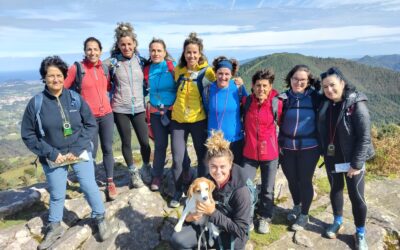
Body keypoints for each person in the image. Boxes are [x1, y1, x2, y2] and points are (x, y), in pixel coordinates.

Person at [21, 56, 110, 249]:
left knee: (88, 185)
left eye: (59, 75)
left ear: (64, 76)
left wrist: (77, 149)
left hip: (79, 150)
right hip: (53, 155)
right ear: (44, 78)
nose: (55, 79)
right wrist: (51, 153)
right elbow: (28, 134)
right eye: (50, 76)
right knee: (57, 193)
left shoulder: (75, 98)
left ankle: (100, 217)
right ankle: (54, 226)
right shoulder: (36, 103)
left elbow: (90, 124)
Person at [318, 67, 374, 250]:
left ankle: (360, 233)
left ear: (342, 83)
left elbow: (365, 137)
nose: (329, 90)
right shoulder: (326, 104)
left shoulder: (356, 104)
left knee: (356, 196)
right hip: (333, 158)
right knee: (335, 189)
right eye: (325, 86)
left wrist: (357, 164)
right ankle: (337, 221)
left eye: (332, 85)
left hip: (352, 161)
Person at [170, 131, 251, 249]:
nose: (218, 172)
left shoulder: (241, 190)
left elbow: (241, 232)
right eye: (213, 166)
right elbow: (189, 207)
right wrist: (190, 218)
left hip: (232, 234)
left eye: (222, 166)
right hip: (209, 226)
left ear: (230, 164)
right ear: (208, 165)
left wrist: (212, 212)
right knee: (177, 240)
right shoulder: (206, 182)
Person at [64, 37, 117, 200]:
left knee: (108, 149)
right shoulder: (76, 68)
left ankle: (110, 182)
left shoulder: (105, 68)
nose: (92, 52)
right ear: (84, 51)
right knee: (90, 152)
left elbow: (107, 88)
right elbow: (63, 88)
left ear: (100, 51)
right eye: (89, 49)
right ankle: (90, 183)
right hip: (88, 119)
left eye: (95, 49)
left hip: (107, 114)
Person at [169, 32, 216, 208]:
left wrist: (238, 82)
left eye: (195, 52)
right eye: (188, 52)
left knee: (202, 157)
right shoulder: (178, 70)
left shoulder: (208, 71)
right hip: (178, 120)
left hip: (199, 119)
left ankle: (204, 191)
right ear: (184, 53)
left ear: (200, 53)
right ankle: (179, 189)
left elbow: (223, 80)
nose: (191, 56)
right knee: (178, 158)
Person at [104, 22, 151, 188]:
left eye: (129, 44)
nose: (126, 47)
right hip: (119, 108)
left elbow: (160, 63)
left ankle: (146, 167)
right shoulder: (112, 63)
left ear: (135, 44)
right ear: (118, 45)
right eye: (123, 44)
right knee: (126, 142)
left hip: (138, 107)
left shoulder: (141, 61)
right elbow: (95, 70)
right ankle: (133, 173)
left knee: (145, 142)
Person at [278, 64, 321, 231]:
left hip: (309, 147)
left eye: (303, 79)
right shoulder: (283, 98)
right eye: (295, 78)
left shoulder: (315, 98)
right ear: (290, 79)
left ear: (308, 81)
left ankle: (304, 214)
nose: (298, 82)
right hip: (287, 147)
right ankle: (296, 205)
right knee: (291, 179)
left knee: (305, 181)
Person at [144, 38, 190, 191]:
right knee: (160, 145)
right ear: (149, 52)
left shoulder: (172, 67)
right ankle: (157, 175)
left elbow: (184, 85)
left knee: (178, 145)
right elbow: (144, 89)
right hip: (156, 113)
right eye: (153, 50)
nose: (155, 53)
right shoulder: (147, 70)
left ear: (164, 52)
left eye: (159, 50)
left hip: (174, 112)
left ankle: (185, 170)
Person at [241, 68, 282, 234]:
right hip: (249, 153)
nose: (261, 89)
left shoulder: (277, 103)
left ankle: (265, 217)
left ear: (271, 86)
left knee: (267, 189)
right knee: (245, 187)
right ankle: (247, 217)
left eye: (265, 85)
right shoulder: (247, 102)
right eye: (258, 85)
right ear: (252, 85)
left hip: (270, 154)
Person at [204, 56, 247, 165]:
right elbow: (205, 110)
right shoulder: (208, 90)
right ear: (215, 73)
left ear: (231, 74)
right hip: (214, 142)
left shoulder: (238, 88)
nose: (223, 77)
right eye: (220, 73)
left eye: (227, 74)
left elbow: (248, 105)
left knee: (236, 175)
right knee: (217, 175)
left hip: (235, 140)